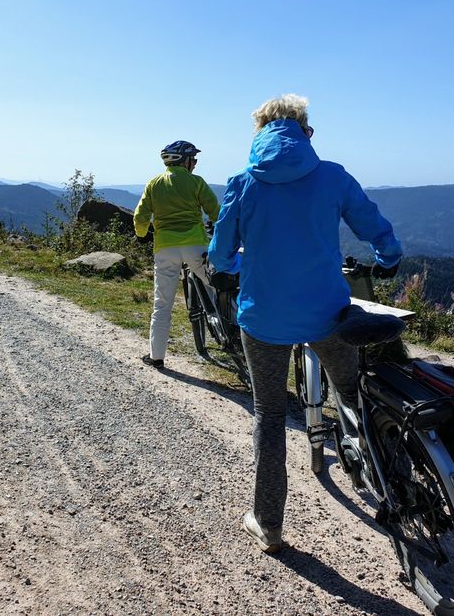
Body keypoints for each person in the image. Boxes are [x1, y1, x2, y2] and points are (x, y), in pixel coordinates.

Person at [207, 94, 401, 553]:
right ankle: (392, 484)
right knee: (353, 395)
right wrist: (388, 257)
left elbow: (219, 253)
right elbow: (372, 224)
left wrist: (233, 268)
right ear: (305, 131)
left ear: (259, 133)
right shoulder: (332, 175)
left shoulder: (242, 183)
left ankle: (268, 524)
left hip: (264, 319)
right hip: (326, 313)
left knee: (271, 416)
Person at [134, 140, 220, 369]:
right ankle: (231, 334)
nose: (196, 163)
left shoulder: (154, 184)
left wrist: (141, 234)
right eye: (194, 159)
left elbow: (140, 216)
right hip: (195, 246)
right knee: (217, 289)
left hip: (165, 248)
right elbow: (216, 211)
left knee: (162, 304)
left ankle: (157, 356)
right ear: (186, 160)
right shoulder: (196, 182)